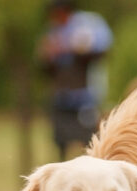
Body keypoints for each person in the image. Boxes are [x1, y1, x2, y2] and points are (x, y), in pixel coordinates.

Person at [38, 0, 112, 160]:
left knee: (90, 141)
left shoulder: (88, 24)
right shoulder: (53, 32)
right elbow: (45, 63)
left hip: (85, 97)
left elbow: (101, 49)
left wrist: (68, 48)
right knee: (60, 142)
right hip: (62, 98)